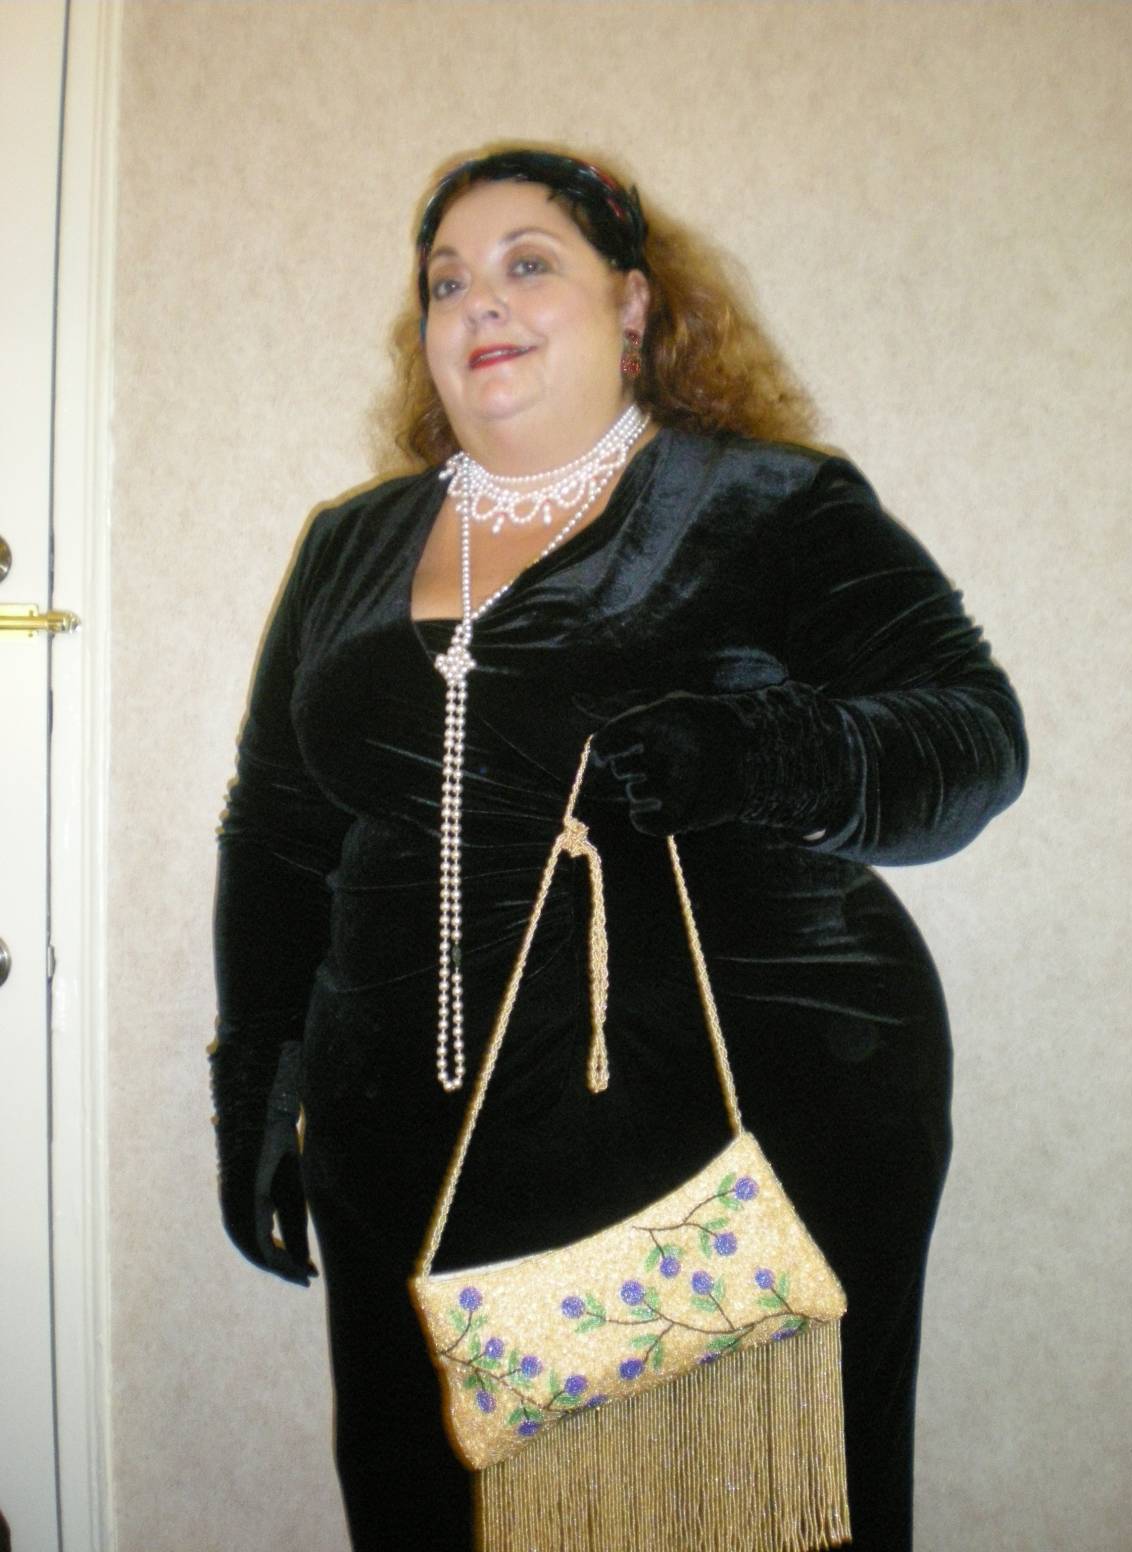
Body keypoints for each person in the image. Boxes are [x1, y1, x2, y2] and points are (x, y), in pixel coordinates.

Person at [210, 146, 1026, 1551]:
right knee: (437, 1507)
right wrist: (257, 1089)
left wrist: (757, 754)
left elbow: (973, 735)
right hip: (403, 1143)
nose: (480, 302)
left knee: (718, 1512)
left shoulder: (767, 502)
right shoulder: (348, 546)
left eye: (529, 263)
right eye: (446, 281)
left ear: (635, 305)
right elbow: (279, 830)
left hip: (729, 1125)